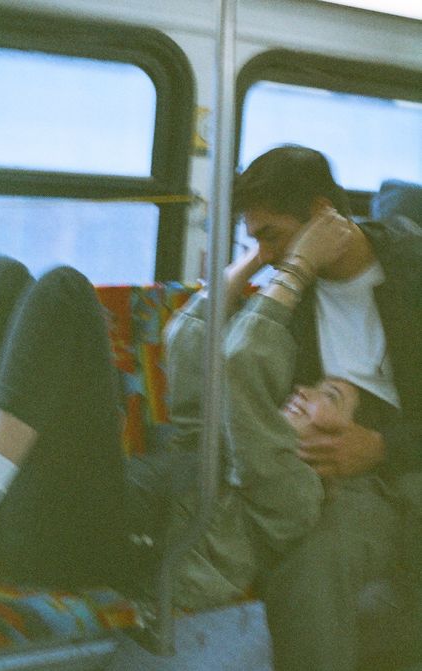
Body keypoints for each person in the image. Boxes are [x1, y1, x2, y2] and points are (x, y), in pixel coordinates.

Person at [169, 145, 421, 670]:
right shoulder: (289, 291)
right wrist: (259, 260)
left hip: (402, 460)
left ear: (324, 213)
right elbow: (195, 355)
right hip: (321, 471)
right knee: (299, 553)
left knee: (320, 558)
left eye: (271, 235)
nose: (267, 255)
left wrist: (380, 447)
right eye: (253, 239)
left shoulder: (412, 275)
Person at [0, 257, 130, 590]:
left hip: (71, 542)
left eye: (261, 237)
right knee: (1, 278)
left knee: (64, 288)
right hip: (13, 522)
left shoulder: (246, 341)